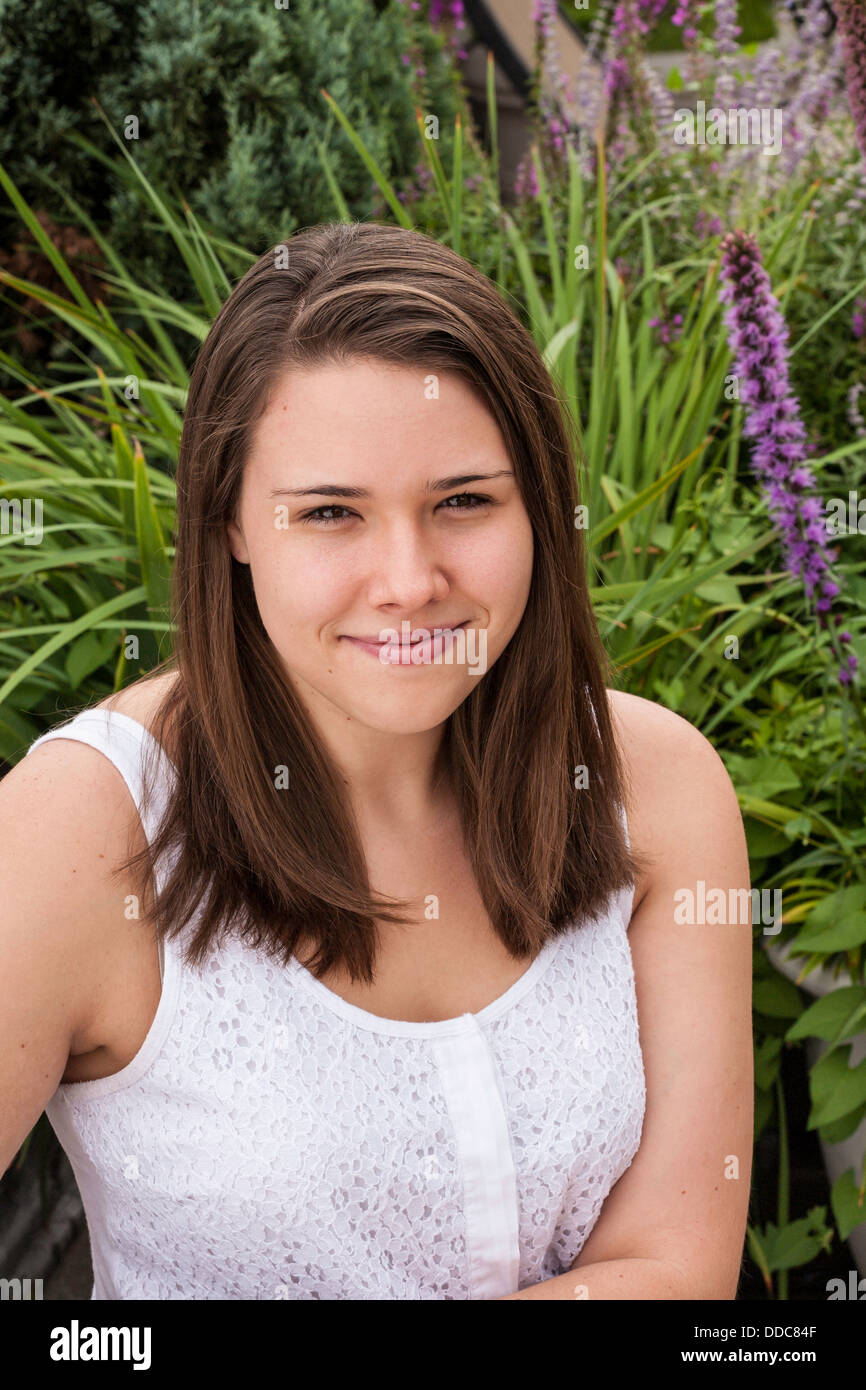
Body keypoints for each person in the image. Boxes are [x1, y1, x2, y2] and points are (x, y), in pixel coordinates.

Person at [0, 221, 752, 1300]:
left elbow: (674, 1268)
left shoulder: (653, 786)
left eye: (461, 501)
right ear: (231, 523)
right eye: (329, 513)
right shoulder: (81, 833)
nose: (408, 581)